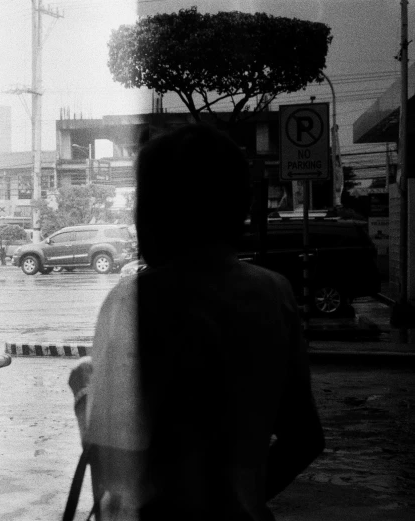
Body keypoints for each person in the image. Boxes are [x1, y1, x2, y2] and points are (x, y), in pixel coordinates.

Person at [68, 124, 325, 520]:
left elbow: (112, 480)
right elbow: (305, 438)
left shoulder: (130, 302)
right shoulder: (275, 294)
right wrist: (243, 498)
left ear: (152, 214)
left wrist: (86, 393)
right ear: (241, 207)